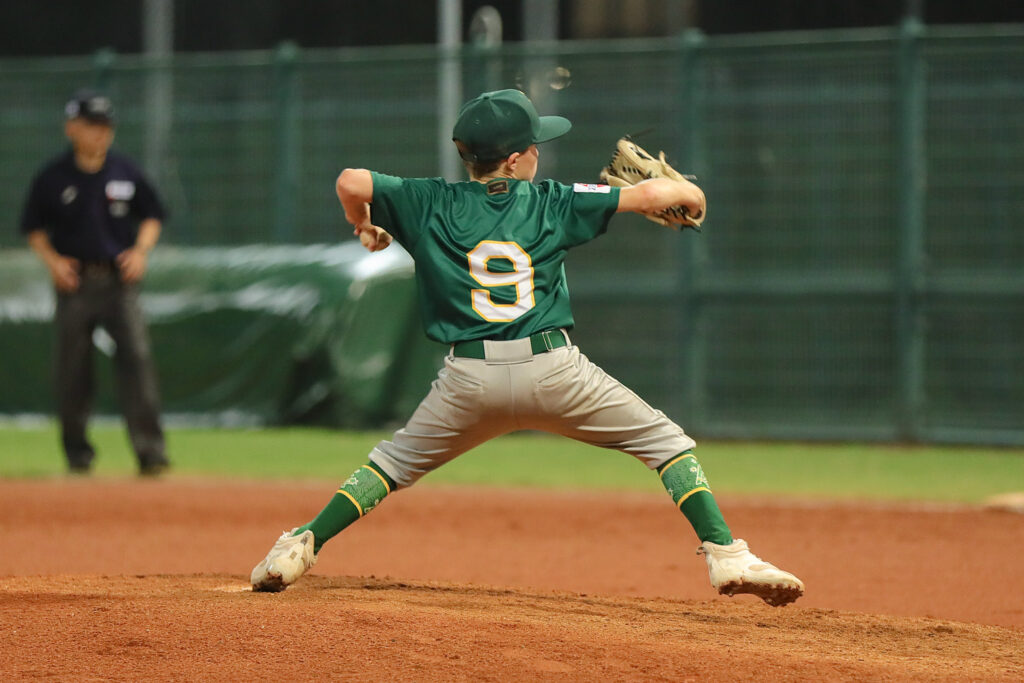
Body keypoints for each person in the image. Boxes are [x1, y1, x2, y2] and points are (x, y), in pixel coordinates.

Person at [251, 89, 804, 606]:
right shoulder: (553, 201)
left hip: (468, 382)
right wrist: (692, 193)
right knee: (665, 443)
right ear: (515, 160)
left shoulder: (427, 199)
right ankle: (726, 556)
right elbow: (662, 194)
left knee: (390, 464)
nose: (539, 151)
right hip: (554, 371)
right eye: (534, 144)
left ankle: (300, 544)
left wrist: (365, 225)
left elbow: (351, 180)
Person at [19, 89, 170, 477]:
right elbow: (33, 228)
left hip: (119, 282)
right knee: (73, 370)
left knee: (137, 360)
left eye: (105, 125)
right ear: (71, 128)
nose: (100, 132)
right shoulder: (53, 177)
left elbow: (153, 214)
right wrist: (53, 262)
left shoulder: (125, 171)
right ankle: (78, 456)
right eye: (91, 125)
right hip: (75, 284)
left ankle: (151, 455)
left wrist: (141, 251)